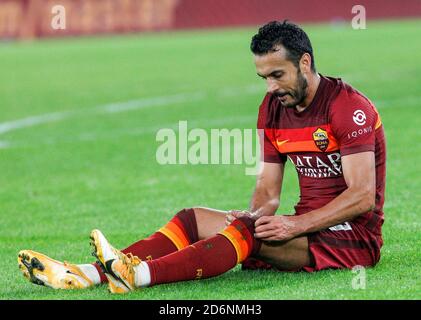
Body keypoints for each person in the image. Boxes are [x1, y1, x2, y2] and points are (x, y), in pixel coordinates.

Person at [18, 20, 386, 294]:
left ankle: (138, 275)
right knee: (195, 219)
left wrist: (294, 225)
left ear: (305, 63)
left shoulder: (347, 108)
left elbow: (361, 196)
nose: (271, 87)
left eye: (278, 75)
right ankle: (86, 274)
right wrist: (256, 215)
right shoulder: (272, 109)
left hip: (351, 239)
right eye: (263, 78)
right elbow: (268, 190)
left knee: (244, 234)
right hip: (306, 228)